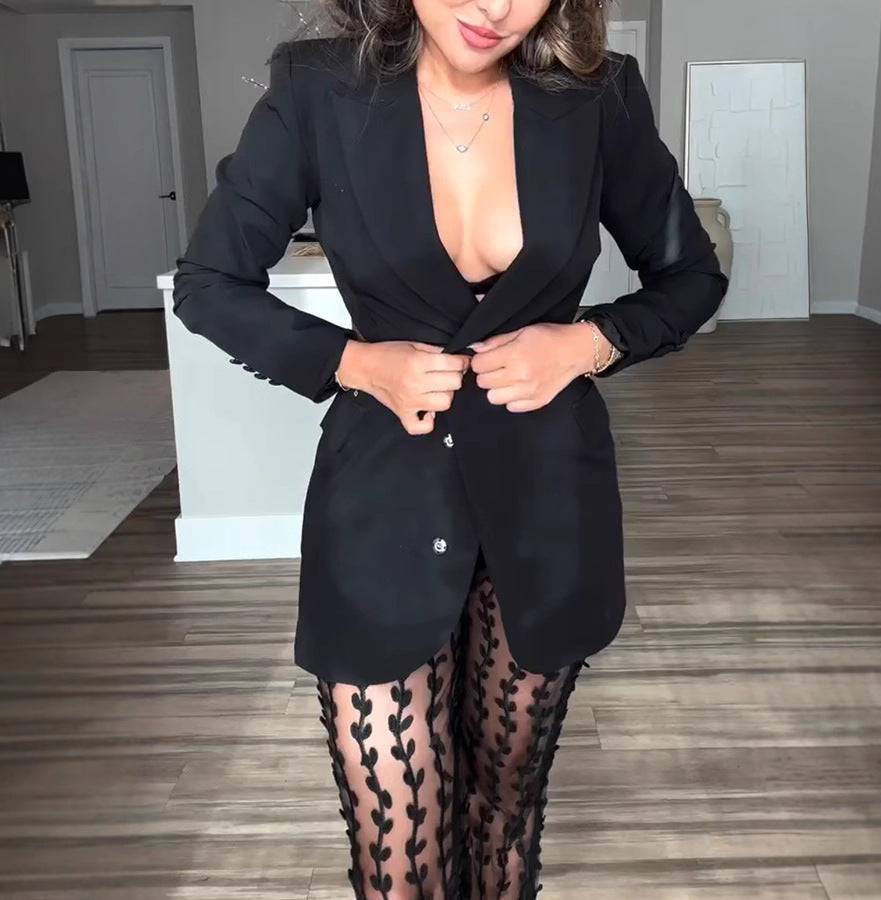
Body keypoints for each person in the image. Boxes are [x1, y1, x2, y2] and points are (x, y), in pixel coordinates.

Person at [171, 0, 727, 893]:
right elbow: (208, 283)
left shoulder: (597, 93)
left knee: (502, 811)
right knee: (397, 845)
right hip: (382, 497)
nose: (494, 8)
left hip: (548, 497)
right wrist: (354, 363)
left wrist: (588, 344)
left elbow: (691, 274)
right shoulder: (318, 89)